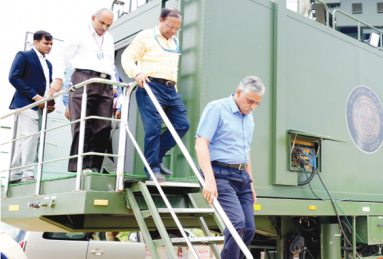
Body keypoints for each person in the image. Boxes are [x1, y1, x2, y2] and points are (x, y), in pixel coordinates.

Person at [195, 76, 265, 259]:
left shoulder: (249, 118)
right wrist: (209, 180)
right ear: (239, 92)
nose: (253, 107)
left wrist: (251, 182)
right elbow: (201, 143)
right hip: (219, 175)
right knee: (236, 224)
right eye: (250, 101)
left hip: (242, 177)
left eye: (257, 103)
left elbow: (246, 151)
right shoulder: (217, 108)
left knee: (249, 229)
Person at [121, 8, 190, 182]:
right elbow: (127, 57)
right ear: (160, 20)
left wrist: (172, 88)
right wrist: (137, 72)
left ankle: (156, 157)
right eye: (170, 26)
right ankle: (152, 168)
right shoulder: (145, 36)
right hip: (151, 86)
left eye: (177, 28)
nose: (173, 31)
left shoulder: (174, 41)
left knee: (182, 125)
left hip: (170, 90)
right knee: (152, 129)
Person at [49, 8, 116, 173]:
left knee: (104, 125)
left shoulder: (109, 38)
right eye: (102, 23)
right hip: (83, 78)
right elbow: (61, 56)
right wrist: (58, 78)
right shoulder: (80, 32)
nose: (104, 27)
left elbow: (109, 61)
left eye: (108, 25)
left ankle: (94, 166)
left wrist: (113, 83)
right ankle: (80, 166)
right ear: (93, 18)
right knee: (83, 124)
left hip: (105, 82)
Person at [8, 30, 54, 183]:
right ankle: (27, 173)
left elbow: (47, 85)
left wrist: (48, 102)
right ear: (35, 42)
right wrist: (36, 97)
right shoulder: (23, 55)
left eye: (51, 44)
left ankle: (13, 175)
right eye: (46, 43)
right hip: (26, 102)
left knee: (25, 139)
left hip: (40, 106)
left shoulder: (48, 64)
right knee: (31, 136)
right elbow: (13, 77)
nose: (49, 46)